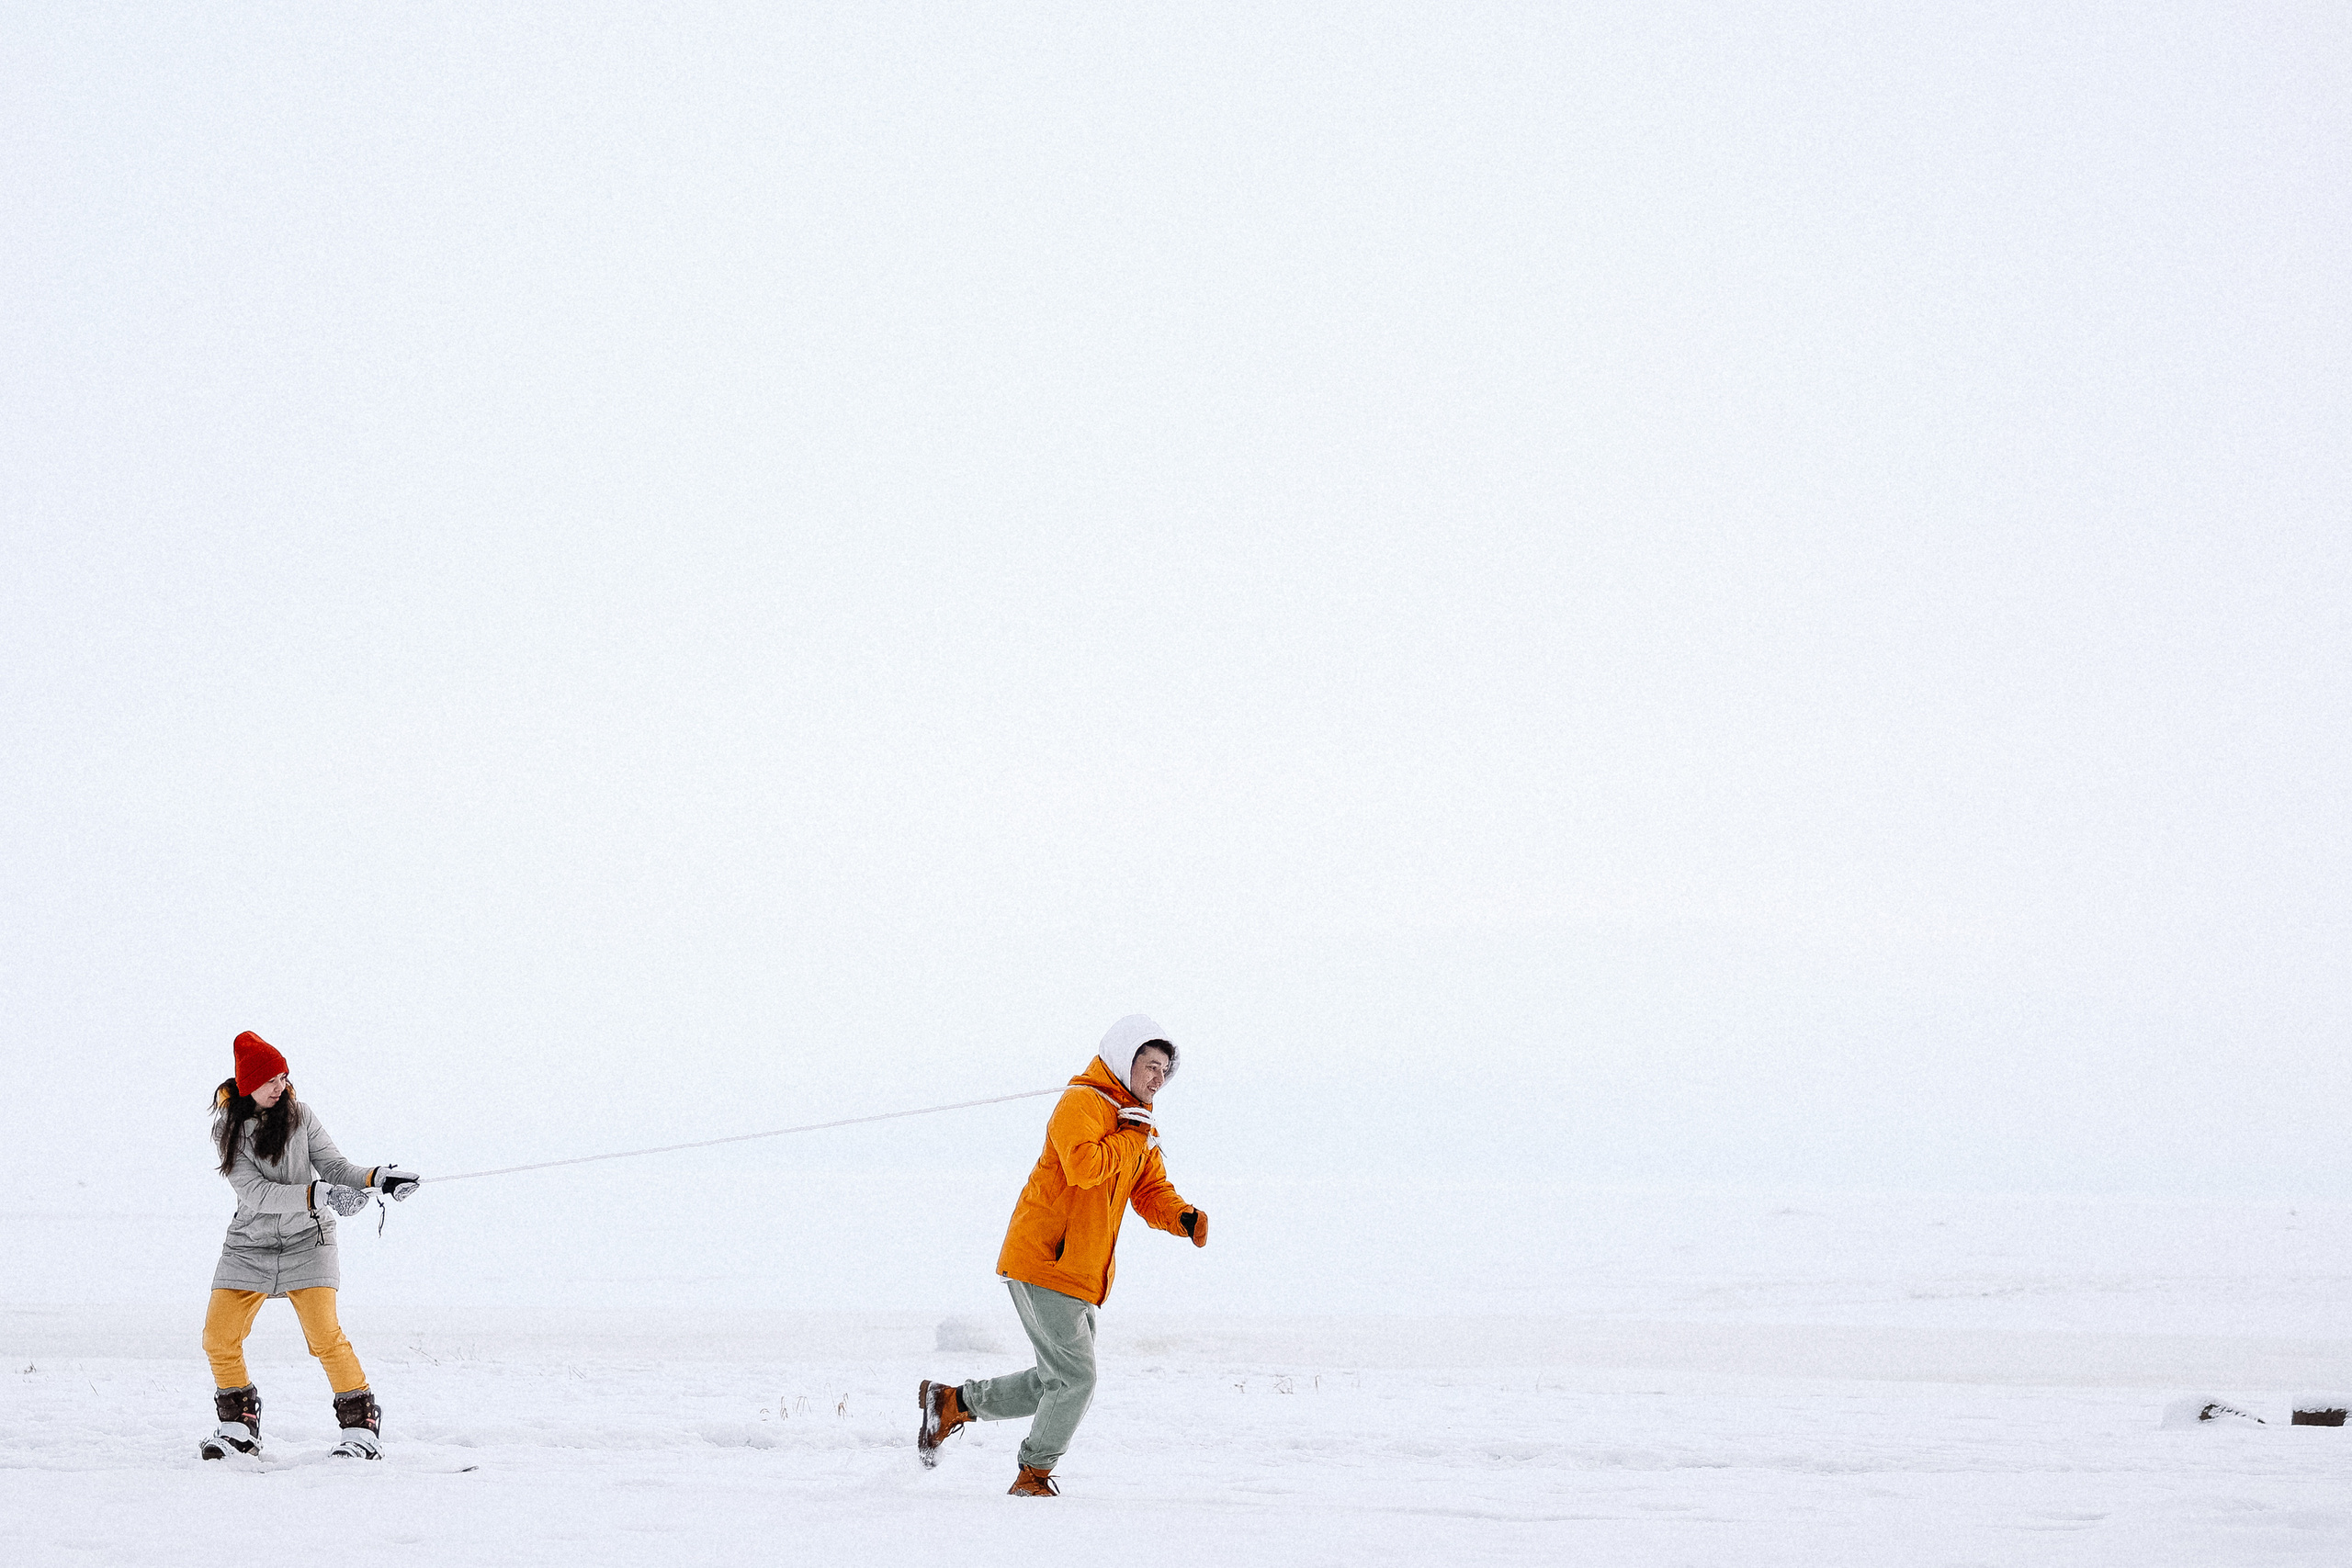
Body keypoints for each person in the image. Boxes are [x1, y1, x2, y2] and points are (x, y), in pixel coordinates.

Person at [918, 1013, 1208, 1495]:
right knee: (1075, 1380)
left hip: (1079, 1272)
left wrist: (1183, 1217)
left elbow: (1150, 1189)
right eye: (1150, 1065)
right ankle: (1033, 1475)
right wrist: (1129, 1136)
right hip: (1046, 1259)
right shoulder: (1084, 1103)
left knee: (1057, 1381)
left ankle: (951, 1403)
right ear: (1124, 1057)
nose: (1157, 1078)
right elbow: (1083, 1165)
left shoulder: (1136, 1124)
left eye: (1164, 1071)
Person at [198, 1031, 421, 1461]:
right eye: (269, 1080)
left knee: (323, 1335)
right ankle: (239, 1427)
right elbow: (255, 1193)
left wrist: (379, 1179)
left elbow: (336, 1167)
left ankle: (361, 1429)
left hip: (309, 1242)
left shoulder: (300, 1116)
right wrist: (318, 1194)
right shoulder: (228, 1131)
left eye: (283, 1076)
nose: (279, 1086)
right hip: (248, 1246)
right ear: (248, 1086)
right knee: (218, 1337)